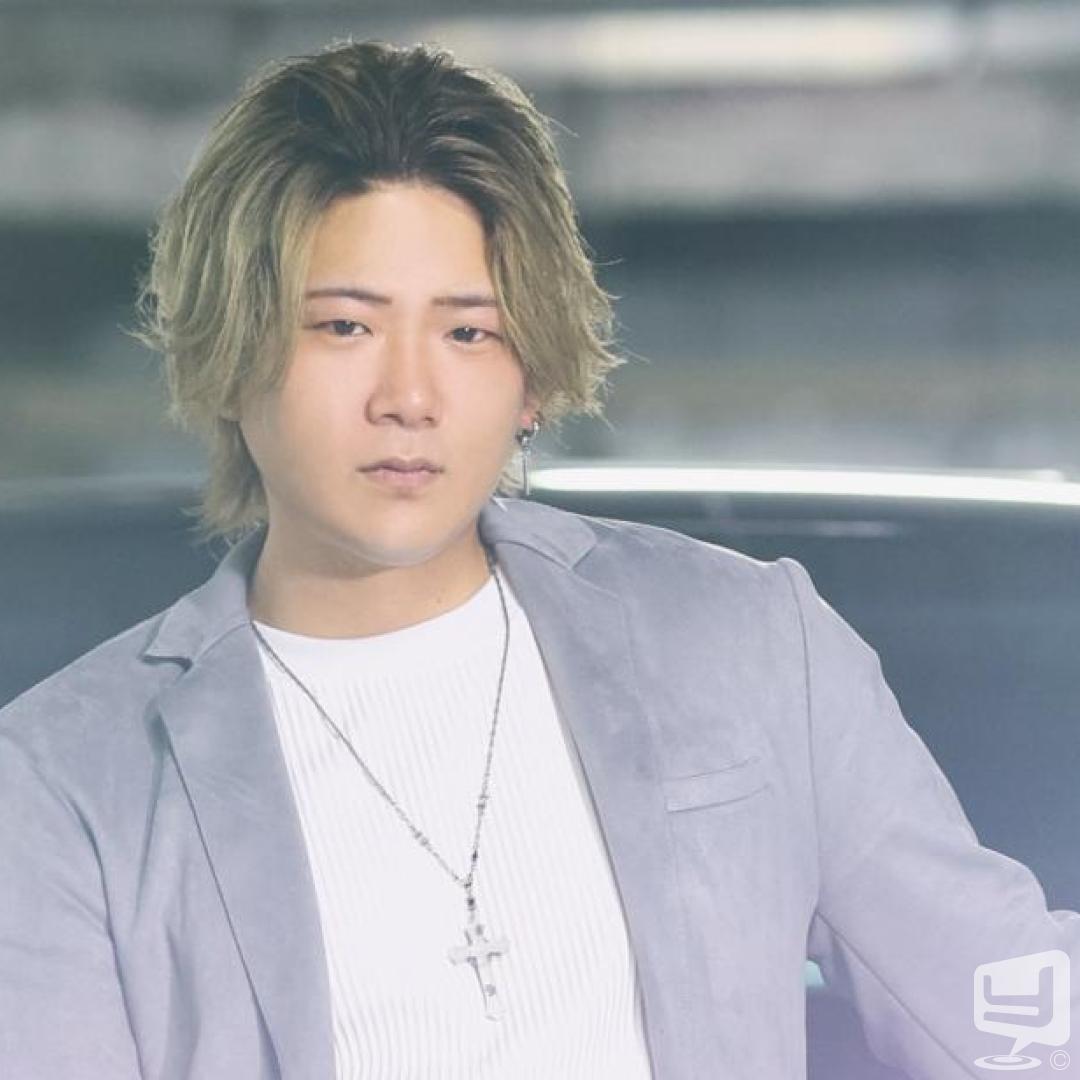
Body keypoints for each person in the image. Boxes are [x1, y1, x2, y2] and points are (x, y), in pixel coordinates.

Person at [0, 36, 1076, 1080]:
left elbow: (1013, 1015)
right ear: (233, 356)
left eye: (467, 332)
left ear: (531, 378)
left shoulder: (747, 646)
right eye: (343, 327)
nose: (409, 397)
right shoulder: (65, 780)